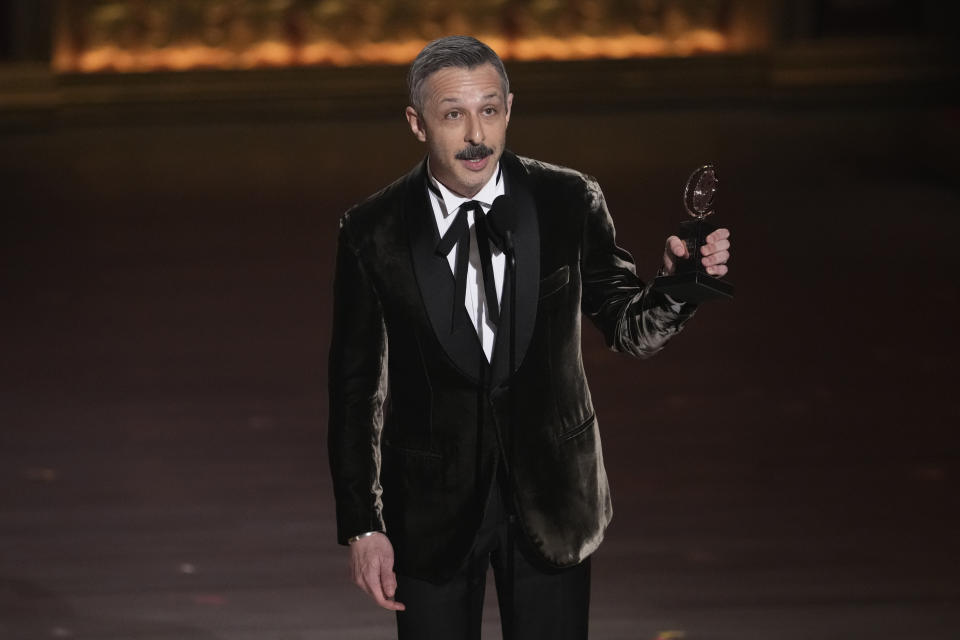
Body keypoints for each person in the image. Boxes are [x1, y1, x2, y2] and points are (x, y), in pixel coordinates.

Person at [328, 35, 731, 639]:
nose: (476, 136)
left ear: (509, 109)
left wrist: (678, 286)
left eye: (489, 111)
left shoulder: (567, 199)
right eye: (453, 114)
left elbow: (629, 330)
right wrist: (363, 525)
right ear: (417, 123)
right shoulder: (372, 230)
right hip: (429, 510)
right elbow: (355, 390)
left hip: (553, 500)